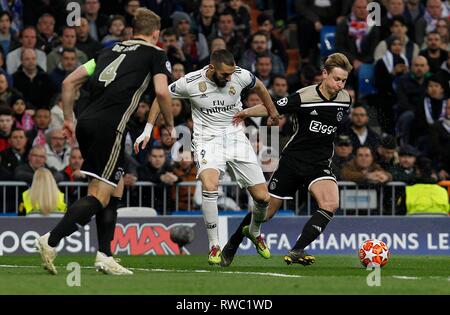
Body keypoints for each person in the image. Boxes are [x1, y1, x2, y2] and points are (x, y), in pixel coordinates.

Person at [34, 8, 174, 276]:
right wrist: (168, 124)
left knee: (115, 188)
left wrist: (67, 119)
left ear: (133, 30)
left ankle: (105, 255)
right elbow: (160, 90)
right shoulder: (156, 54)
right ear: (156, 33)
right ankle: (51, 240)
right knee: (99, 194)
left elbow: (68, 83)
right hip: (110, 127)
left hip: (86, 122)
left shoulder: (107, 51)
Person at [136, 49, 280, 265]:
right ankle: (214, 245)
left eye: (231, 74)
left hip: (236, 139)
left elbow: (259, 86)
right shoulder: (191, 82)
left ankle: (254, 231)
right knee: (210, 186)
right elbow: (161, 96)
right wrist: (148, 129)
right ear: (212, 68)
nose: (229, 78)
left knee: (263, 198)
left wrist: (272, 111)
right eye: (225, 74)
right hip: (207, 140)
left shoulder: (240, 75)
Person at [221, 53, 352, 267]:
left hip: (319, 164)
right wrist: (246, 112)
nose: (340, 84)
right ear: (325, 74)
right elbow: (272, 107)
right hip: (293, 161)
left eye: (344, 80)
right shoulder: (304, 96)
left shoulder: (345, 99)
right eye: (337, 79)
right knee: (265, 213)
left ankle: (297, 249)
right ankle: (234, 242)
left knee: (330, 203)